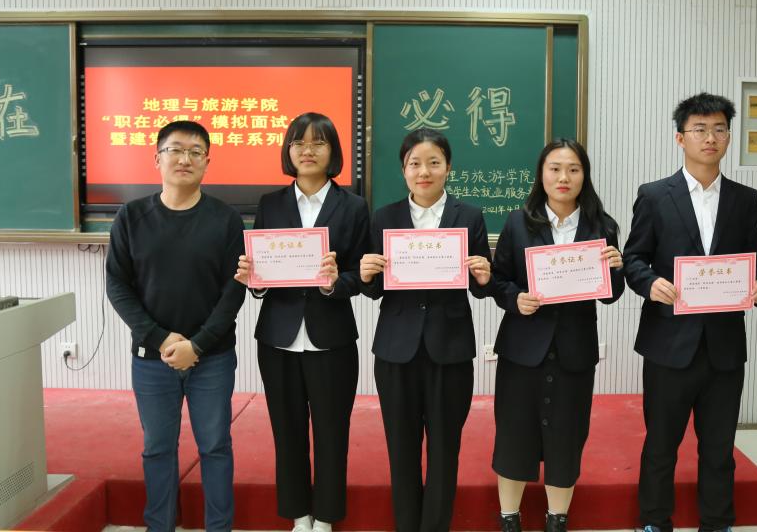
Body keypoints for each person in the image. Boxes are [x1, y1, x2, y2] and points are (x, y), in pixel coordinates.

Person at [622, 93, 757, 532]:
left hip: (724, 345)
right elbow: (634, 258)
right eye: (700, 129)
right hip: (669, 342)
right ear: (680, 138)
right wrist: (650, 283)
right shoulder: (654, 195)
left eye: (719, 129)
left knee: (720, 446)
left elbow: (756, 262)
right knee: (661, 444)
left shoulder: (745, 199)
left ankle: (717, 521)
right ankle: (654, 520)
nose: (710, 138)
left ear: (729, 137)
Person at [106, 120, 245, 532]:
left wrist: (197, 345)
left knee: (215, 446)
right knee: (157, 449)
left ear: (207, 162)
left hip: (212, 358)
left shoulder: (226, 220)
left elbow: (234, 290)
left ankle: (219, 527)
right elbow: (118, 286)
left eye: (195, 152)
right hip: (152, 358)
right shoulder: (131, 217)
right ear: (157, 158)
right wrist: (162, 339)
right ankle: (159, 525)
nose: (185, 158)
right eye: (176, 149)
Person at [234, 112, 369, 532]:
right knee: (286, 431)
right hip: (277, 337)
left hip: (332, 337)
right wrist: (254, 280)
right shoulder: (270, 204)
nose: (307, 151)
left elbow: (362, 276)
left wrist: (336, 282)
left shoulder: (354, 206)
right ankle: (298, 515)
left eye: (318, 142)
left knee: (332, 432)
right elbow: (261, 272)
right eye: (299, 143)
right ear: (288, 151)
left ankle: (325, 518)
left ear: (333, 151)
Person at [358, 128, 493, 532]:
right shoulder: (385, 217)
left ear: (448, 167)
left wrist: (484, 276)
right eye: (415, 163)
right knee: (401, 450)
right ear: (403, 170)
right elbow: (375, 289)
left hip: (450, 349)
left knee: (445, 450)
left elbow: (479, 288)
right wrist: (366, 275)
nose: (424, 171)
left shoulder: (469, 217)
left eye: (434, 162)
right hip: (396, 350)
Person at [490, 139, 625, 532]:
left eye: (573, 169)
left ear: (584, 175)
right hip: (522, 347)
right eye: (555, 168)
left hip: (574, 348)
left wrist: (616, 268)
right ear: (541, 174)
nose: (563, 177)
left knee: (567, 435)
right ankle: (509, 518)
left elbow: (611, 294)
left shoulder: (602, 226)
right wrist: (515, 299)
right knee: (514, 433)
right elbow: (498, 281)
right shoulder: (518, 222)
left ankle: (557, 518)